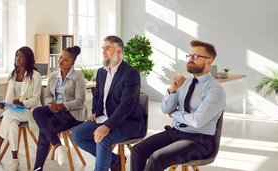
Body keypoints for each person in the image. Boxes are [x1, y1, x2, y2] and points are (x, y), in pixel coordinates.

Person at [130, 40, 225, 171]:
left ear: (209, 61)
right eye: (190, 56)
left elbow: (197, 121)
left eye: (196, 57)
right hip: (176, 133)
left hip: (199, 141)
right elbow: (165, 109)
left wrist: (175, 114)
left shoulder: (215, 89)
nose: (190, 59)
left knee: (157, 157)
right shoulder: (184, 82)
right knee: (137, 150)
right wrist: (172, 90)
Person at [71, 36, 146, 171]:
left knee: (103, 139)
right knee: (76, 135)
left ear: (119, 51)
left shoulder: (131, 73)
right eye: (103, 48)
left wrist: (107, 126)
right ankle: (116, 160)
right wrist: (95, 112)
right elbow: (98, 95)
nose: (103, 52)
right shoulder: (101, 72)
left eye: (108, 48)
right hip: (103, 117)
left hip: (127, 122)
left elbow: (126, 105)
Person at [0, 46, 41, 171]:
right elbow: (9, 98)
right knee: (12, 124)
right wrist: (4, 103)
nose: (18, 58)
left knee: (8, 115)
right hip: (17, 111)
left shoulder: (35, 75)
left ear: (28, 59)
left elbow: (36, 99)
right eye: (17, 56)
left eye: (21, 56)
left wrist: (22, 103)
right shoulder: (13, 74)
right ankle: (15, 160)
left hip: (31, 110)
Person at [32, 46, 88, 171]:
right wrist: (52, 105)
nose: (61, 61)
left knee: (45, 129)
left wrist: (61, 106)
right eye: (61, 57)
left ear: (72, 63)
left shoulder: (78, 77)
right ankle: (58, 146)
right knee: (37, 111)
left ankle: (38, 168)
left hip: (73, 113)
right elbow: (48, 96)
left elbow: (80, 101)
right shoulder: (53, 76)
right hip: (55, 109)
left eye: (65, 60)